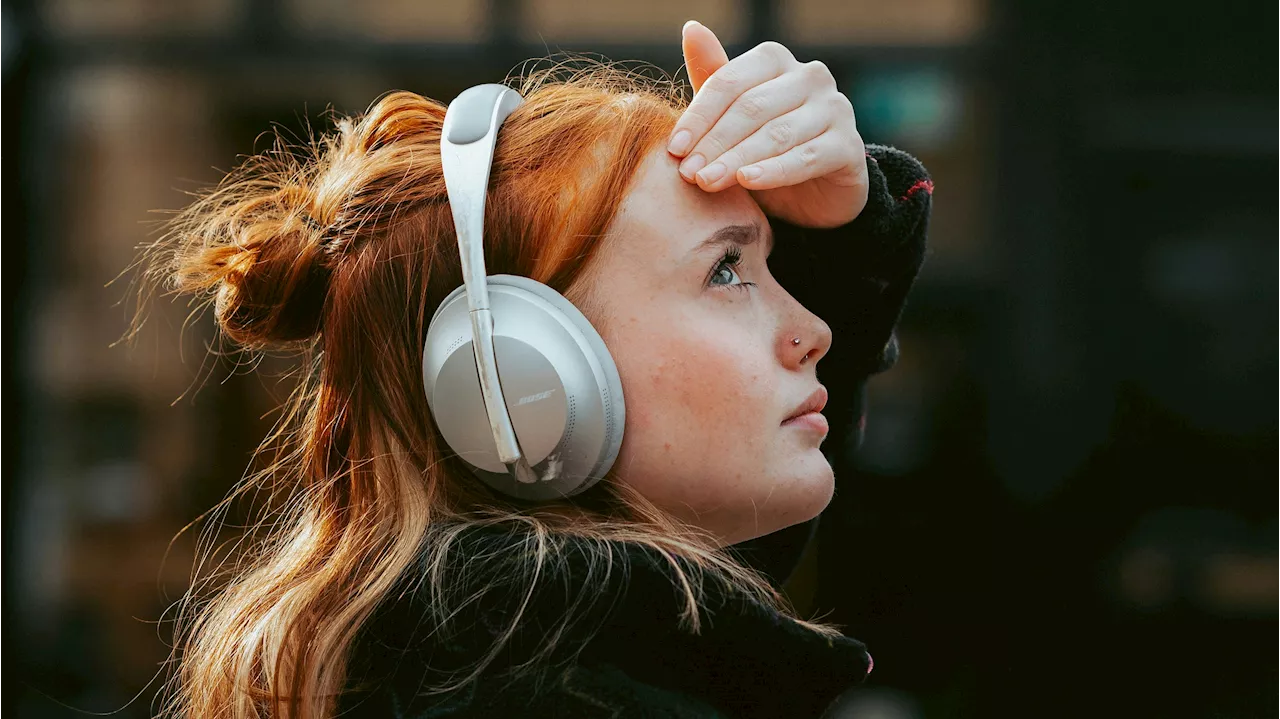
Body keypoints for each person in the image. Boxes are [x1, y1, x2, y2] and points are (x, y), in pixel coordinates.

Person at [131, 20, 931, 719]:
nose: (816, 328)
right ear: (520, 382)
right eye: (726, 270)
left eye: (779, 269)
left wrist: (841, 233)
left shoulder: (524, 666)